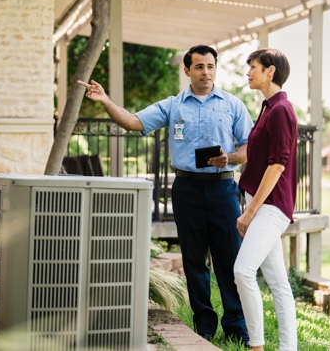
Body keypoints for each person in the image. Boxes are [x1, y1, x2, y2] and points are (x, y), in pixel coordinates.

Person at [78, 45, 252, 345]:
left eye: (210, 66)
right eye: (199, 67)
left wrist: (231, 158)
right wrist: (105, 100)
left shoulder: (232, 105)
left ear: (215, 69)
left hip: (224, 189)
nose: (205, 72)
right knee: (194, 260)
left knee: (230, 260)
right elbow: (133, 122)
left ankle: (236, 326)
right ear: (187, 71)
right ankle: (205, 327)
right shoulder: (173, 106)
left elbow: (250, 147)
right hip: (186, 190)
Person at [234, 48, 298, 351]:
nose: (248, 72)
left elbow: (277, 166)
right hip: (263, 204)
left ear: (270, 71)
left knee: (243, 271)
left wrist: (250, 212)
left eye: (253, 67)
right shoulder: (267, 108)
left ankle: (256, 346)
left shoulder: (282, 110)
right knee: (278, 283)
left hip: (271, 207)